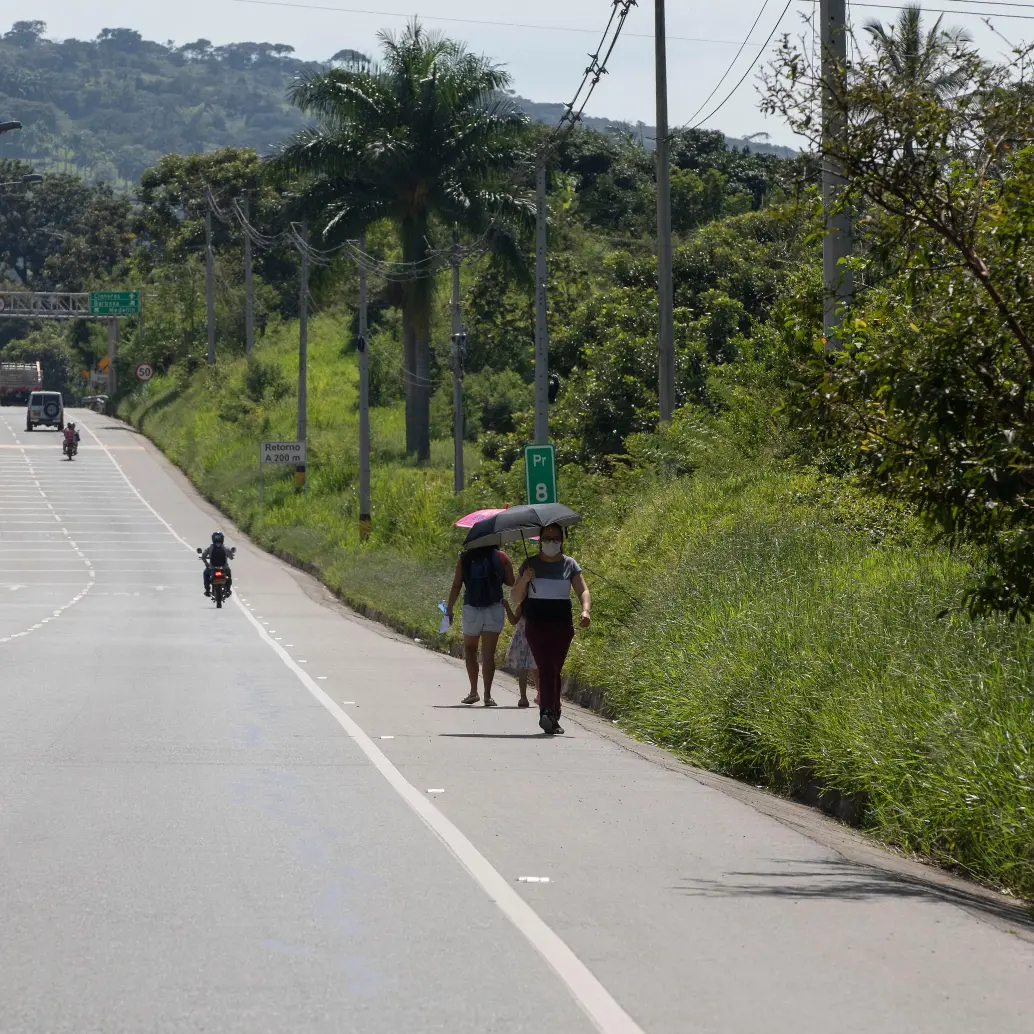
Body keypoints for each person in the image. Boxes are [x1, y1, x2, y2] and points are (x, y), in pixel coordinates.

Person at [511, 524, 591, 735]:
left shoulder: (569, 565)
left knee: (554, 668)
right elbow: (516, 597)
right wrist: (525, 580)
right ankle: (547, 711)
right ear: (540, 540)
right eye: (547, 537)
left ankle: (553, 714)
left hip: (562, 624)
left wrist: (586, 611)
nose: (551, 542)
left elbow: (582, 590)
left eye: (555, 538)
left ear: (562, 541)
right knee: (546, 666)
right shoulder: (530, 564)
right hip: (536, 623)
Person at [446, 544, 515, 706]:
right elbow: (511, 582)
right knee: (488, 653)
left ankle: (473, 691)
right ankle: (487, 695)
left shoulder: (465, 558)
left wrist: (449, 608)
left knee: (470, 649)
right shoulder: (502, 556)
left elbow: (456, 585)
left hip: (472, 608)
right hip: (494, 608)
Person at [503, 598, 539, 709]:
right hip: (537, 639)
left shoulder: (523, 604)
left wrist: (507, 606)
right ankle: (543, 695)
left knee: (524, 669)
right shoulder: (543, 604)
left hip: (523, 640)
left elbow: (513, 621)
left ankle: (523, 697)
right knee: (538, 668)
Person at [201, 531, 232, 597]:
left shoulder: (210, 547)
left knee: (205, 574)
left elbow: (203, 556)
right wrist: (231, 556)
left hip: (212, 568)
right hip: (224, 567)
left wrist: (207, 564)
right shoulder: (225, 547)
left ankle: (207, 590)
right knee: (228, 575)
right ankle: (228, 590)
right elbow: (231, 556)